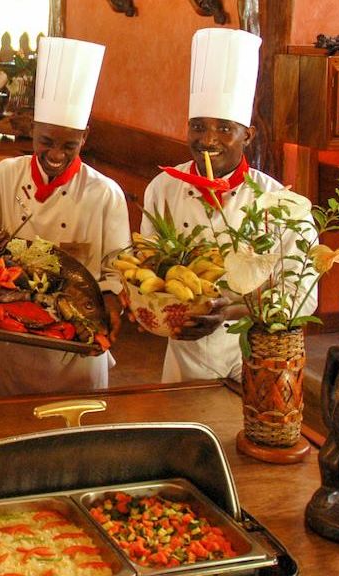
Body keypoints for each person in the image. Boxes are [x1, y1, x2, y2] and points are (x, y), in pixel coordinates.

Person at [141, 28, 315, 382]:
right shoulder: (162, 189)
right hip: (181, 355)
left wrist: (231, 310)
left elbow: (303, 297)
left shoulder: (281, 203)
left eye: (224, 128)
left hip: (253, 355)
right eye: (198, 126)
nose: (208, 140)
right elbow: (149, 269)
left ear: (247, 135)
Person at [0, 37, 129, 395]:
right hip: (16, 331)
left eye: (69, 145)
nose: (56, 154)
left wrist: (111, 300)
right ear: (31, 129)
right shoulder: (4, 176)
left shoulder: (105, 193)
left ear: (85, 138)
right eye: (46, 141)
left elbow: (116, 268)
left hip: (79, 340)